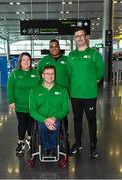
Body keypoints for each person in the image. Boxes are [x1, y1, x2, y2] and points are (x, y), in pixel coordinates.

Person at [68, 27, 104, 158]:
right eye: (77, 36)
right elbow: (69, 72)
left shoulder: (94, 54)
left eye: (81, 35)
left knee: (91, 120)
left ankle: (93, 145)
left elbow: (100, 69)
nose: (79, 38)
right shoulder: (71, 55)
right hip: (75, 94)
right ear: (75, 39)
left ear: (86, 37)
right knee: (77, 119)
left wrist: (94, 81)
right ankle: (78, 144)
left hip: (89, 95)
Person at [29, 65, 69, 155]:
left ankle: (48, 147)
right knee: (42, 127)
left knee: (55, 126)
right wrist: (45, 120)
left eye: (52, 74)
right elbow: (32, 110)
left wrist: (54, 118)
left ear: (55, 75)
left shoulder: (63, 90)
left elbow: (65, 109)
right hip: (41, 118)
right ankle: (50, 146)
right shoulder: (34, 91)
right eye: (47, 74)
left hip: (56, 118)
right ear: (43, 75)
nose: (50, 76)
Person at [7, 52, 40, 154]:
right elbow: (10, 87)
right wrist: (11, 101)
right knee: (22, 124)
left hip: (33, 105)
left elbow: (40, 87)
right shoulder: (15, 73)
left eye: (28, 60)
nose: (26, 62)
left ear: (31, 61)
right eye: (24, 60)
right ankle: (20, 142)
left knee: (31, 124)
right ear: (20, 61)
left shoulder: (36, 73)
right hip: (20, 105)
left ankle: (30, 139)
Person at [37, 39, 70, 134]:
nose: (54, 48)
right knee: (48, 111)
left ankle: (64, 135)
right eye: (51, 46)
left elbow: (71, 75)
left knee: (63, 114)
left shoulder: (66, 60)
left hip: (63, 93)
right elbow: (39, 75)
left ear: (59, 47)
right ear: (49, 48)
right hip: (47, 91)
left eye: (56, 46)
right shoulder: (44, 60)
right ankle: (47, 133)